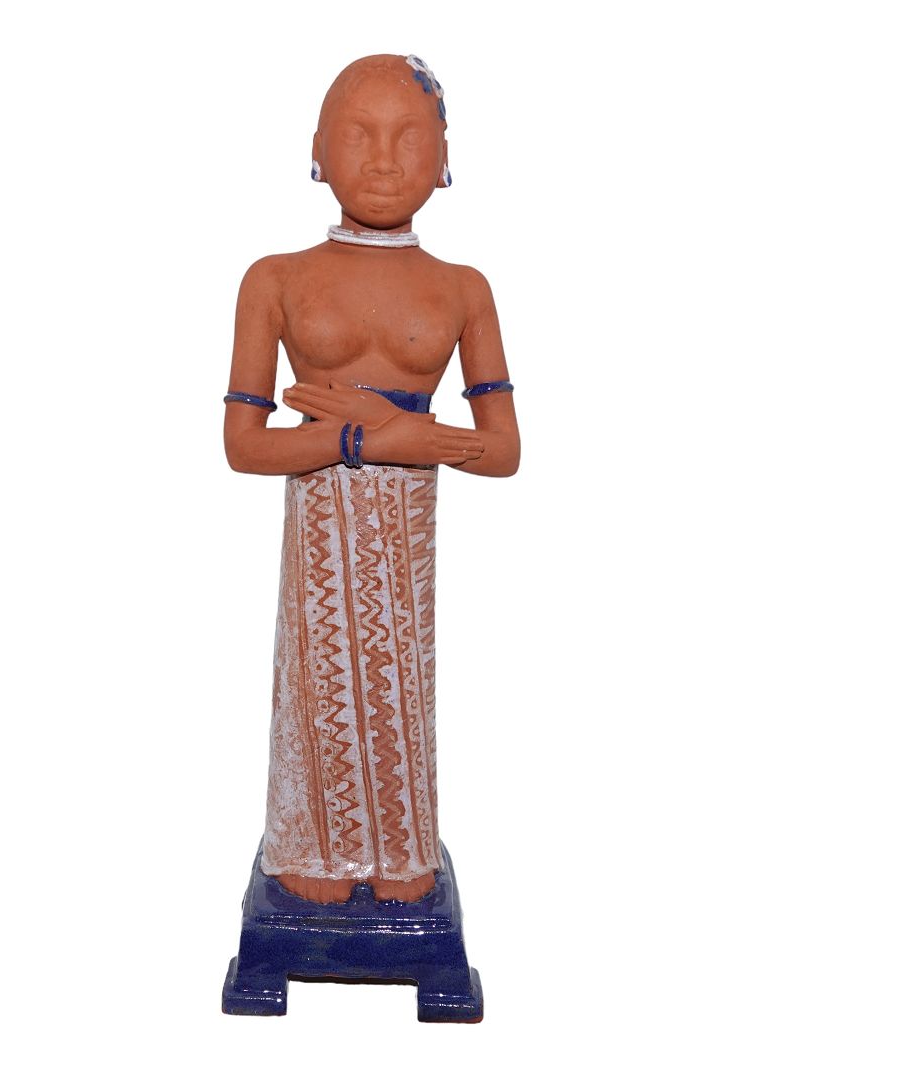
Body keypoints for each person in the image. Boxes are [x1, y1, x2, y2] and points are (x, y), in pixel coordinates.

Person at [223, 54, 520, 904]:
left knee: (398, 690)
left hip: (405, 535)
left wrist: (412, 437)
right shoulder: (274, 279)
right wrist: (366, 436)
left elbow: (504, 451)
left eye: (408, 138)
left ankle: (397, 847)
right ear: (317, 149)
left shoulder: (462, 289)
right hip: (320, 527)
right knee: (319, 687)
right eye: (359, 136)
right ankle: (310, 847)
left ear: (444, 157)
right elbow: (243, 445)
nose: (384, 160)